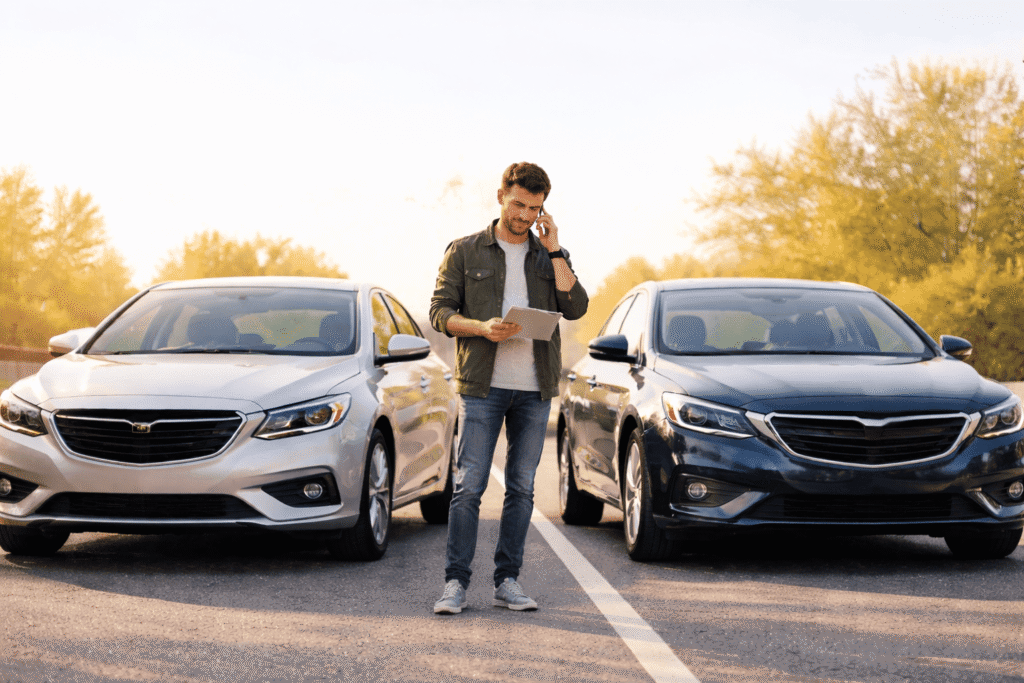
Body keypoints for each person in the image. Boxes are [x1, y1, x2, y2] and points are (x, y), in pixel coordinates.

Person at [429, 162, 589, 614]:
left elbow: (574, 306)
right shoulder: (464, 251)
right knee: (470, 486)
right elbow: (441, 312)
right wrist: (481, 327)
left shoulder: (549, 256)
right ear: (500, 195)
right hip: (483, 385)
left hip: (534, 388)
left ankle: (508, 580)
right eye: (518, 204)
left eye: (534, 208)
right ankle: (455, 584)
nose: (524, 215)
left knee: (522, 488)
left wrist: (555, 250)